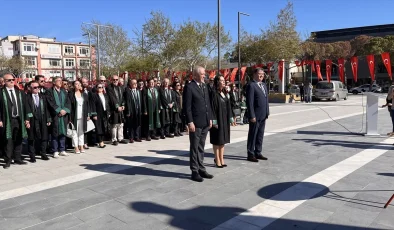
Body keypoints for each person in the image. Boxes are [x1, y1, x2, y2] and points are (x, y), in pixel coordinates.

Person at [184, 66, 214, 182]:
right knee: (194, 147)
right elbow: (187, 107)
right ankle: (194, 171)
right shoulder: (189, 87)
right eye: (202, 74)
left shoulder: (204, 86)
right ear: (195, 75)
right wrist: (190, 122)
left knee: (201, 147)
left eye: (204, 74)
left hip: (205, 122)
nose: (204, 76)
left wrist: (210, 119)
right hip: (195, 123)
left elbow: (208, 104)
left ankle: (201, 168)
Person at [0, 73, 30, 169]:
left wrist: (27, 119)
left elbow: (26, 107)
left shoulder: (20, 93)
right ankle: (8, 160)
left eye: (13, 79)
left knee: (19, 139)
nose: (12, 81)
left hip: (19, 119)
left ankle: (17, 158)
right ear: (4, 82)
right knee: (8, 140)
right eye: (9, 80)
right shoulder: (1, 93)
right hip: (7, 120)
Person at [246, 68, 269, 163]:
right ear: (254, 75)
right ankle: (250, 153)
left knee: (260, 135)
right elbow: (250, 102)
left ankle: (258, 152)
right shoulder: (251, 85)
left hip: (263, 114)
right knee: (253, 134)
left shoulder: (264, 85)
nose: (261, 76)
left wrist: (267, 112)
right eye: (259, 74)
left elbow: (266, 100)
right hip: (255, 116)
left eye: (263, 74)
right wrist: (252, 115)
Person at [26, 81, 51, 162]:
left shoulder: (43, 97)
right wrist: (28, 120)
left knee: (44, 137)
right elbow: (26, 109)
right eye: (35, 87)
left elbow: (47, 109)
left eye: (38, 87)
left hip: (42, 119)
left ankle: (43, 153)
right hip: (32, 119)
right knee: (31, 138)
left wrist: (48, 119)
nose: (37, 89)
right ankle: (32, 155)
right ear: (30, 88)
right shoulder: (27, 97)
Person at [47, 76, 71, 158]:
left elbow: (68, 102)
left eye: (61, 80)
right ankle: (55, 150)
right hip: (55, 115)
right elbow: (50, 103)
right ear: (54, 82)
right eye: (58, 81)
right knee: (55, 133)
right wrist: (59, 110)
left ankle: (62, 149)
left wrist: (65, 110)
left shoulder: (64, 91)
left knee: (63, 132)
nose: (61, 82)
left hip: (63, 115)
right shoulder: (49, 91)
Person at [210, 76, 232, 168]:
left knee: (223, 140)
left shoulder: (224, 93)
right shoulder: (214, 93)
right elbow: (212, 108)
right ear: (217, 82)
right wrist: (214, 121)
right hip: (217, 120)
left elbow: (228, 105)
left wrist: (230, 117)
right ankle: (217, 159)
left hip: (224, 120)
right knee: (217, 140)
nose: (223, 82)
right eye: (221, 80)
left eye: (224, 81)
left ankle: (221, 158)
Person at [69, 80, 95, 154]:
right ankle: (76, 147)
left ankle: (81, 145)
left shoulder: (84, 94)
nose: (77, 85)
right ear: (74, 85)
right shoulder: (71, 94)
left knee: (81, 132)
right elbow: (70, 106)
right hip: (74, 116)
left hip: (82, 115)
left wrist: (88, 114)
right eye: (76, 84)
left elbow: (87, 105)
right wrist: (70, 117)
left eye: (79, 84)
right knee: (74, 132)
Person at [106, 75, 128, 145]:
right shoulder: (109, 88)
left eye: (116, 79)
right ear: (111, 80)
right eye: (114, 79)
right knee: (114, 124)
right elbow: (112, 99)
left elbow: (123, 98)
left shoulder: (120, 87)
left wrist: (123, 105)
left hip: (121, 108)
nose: (115, 81)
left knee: (121, 124)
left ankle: (120, 138)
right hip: (114, 109)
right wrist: (117, 106)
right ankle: (114, 139)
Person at [91, 84, 109, 148]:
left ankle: (102, 140)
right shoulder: (94, 95)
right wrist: (94, 114)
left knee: (103, 127)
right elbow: (93, 105)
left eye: (102, 87)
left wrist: (108, 113)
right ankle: (100, 141)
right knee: (98, 127)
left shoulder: (105, 95)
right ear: (96, 88)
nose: (100, 88)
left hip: (104, 113)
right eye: (99, 87)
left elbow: (107, 104)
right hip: (98, 113)